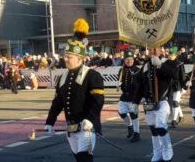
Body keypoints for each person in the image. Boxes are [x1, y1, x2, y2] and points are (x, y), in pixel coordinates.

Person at [44, 18, 104, 162]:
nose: (65, 59)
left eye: (69, 57)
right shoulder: (63, 77)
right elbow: (58, 102)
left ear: (80, 59)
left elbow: (98, 101)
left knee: (85, 158)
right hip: (71, 128)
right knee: (78, 158)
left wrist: (90, 119)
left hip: (86, 128)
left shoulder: (92, 75)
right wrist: (50, 122)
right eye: (65, 56)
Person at [134, 48, 176, 162]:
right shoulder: (146, 64)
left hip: (162, 101)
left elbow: (174, 74)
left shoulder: (167, 62)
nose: (152, 51)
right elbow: (140, 83)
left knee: (160, 127)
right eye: (150, 49)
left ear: (160, 50)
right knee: (153, 129)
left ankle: (168, 149)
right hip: (149, 103)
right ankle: (157, 152)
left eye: (154, 49)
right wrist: (135, 101)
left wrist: (160, 65)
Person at [117, 49, 141, 142]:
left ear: (133, 60)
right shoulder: (122, 70)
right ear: (124, 60)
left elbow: (140, 84)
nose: (129, 61)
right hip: (124, 95)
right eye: (127, 59)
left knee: (133, 114)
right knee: (121, 112)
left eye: (131, 59)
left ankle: (137, 133)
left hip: (134, 96)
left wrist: (140, 97)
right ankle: (130, 126)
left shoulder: (137, 70)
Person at [167, 48, 186, 128]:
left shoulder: (179, 63)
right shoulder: (166, 63)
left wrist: (184, 87)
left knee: (175, 102)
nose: (170, 56)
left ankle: (173, 120)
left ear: (175, 55)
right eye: (169, 55)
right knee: (173, 102)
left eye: (172, 55)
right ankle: (181, 115)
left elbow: (183, 76)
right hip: (169, 85)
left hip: (177, 85)